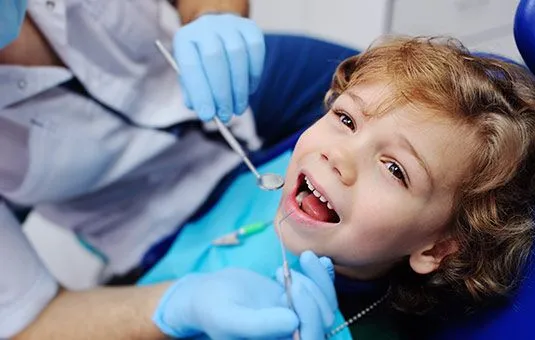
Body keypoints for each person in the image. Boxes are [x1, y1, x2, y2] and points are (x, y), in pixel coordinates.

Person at [140, 36, 535, 339]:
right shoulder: (288, 154)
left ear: (435, 249)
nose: (338, 157)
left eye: (395, 169)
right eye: (346, 120)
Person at [0, 0, 358, 338]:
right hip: (153, 221)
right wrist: (179, 305)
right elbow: (28, 320)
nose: (340, 162)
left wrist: (212, 14)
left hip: (243, 94)